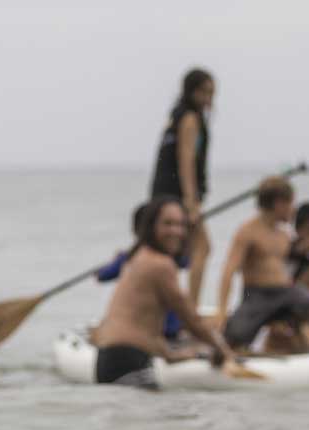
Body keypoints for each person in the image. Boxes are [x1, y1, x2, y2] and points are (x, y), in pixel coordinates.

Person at [93, 196, 236, 389]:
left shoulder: (137, 256)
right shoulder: (161, 265)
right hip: (128, 360)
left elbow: (144, 325)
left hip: (109, 359)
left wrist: (171, 355)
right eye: (168, 224)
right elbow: (190, 318)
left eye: (181, 225)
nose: (176, 231)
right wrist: (223, 351)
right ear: (152, 226)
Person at [217, 178, 309, 353]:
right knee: (234, 337)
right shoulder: (247, 231)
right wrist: (221, 312)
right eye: (290, 203)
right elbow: (228, 272)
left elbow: (302, 248)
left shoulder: (283, 233)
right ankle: (234, 350)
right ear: (278, 203)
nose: (293, 209)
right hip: (257, 295)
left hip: (284, 292)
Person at [150, 68, 215, 305]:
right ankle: (190, 308)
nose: (209, 99)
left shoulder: (176, 117)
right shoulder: (189, 118)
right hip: (176, 197)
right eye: (205, 92)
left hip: (161, 194)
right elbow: (185, 159)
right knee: (202, 248)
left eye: (212, 93)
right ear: (191, 92)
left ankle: (168, 305)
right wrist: (190, 202)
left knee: (170, 251)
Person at [95, 202, 189, 340]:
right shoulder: (171, 256)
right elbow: (187, 262)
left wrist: (113, 262)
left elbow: (102, 276)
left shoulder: (131, 257)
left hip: (151, 330)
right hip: (172, 327)